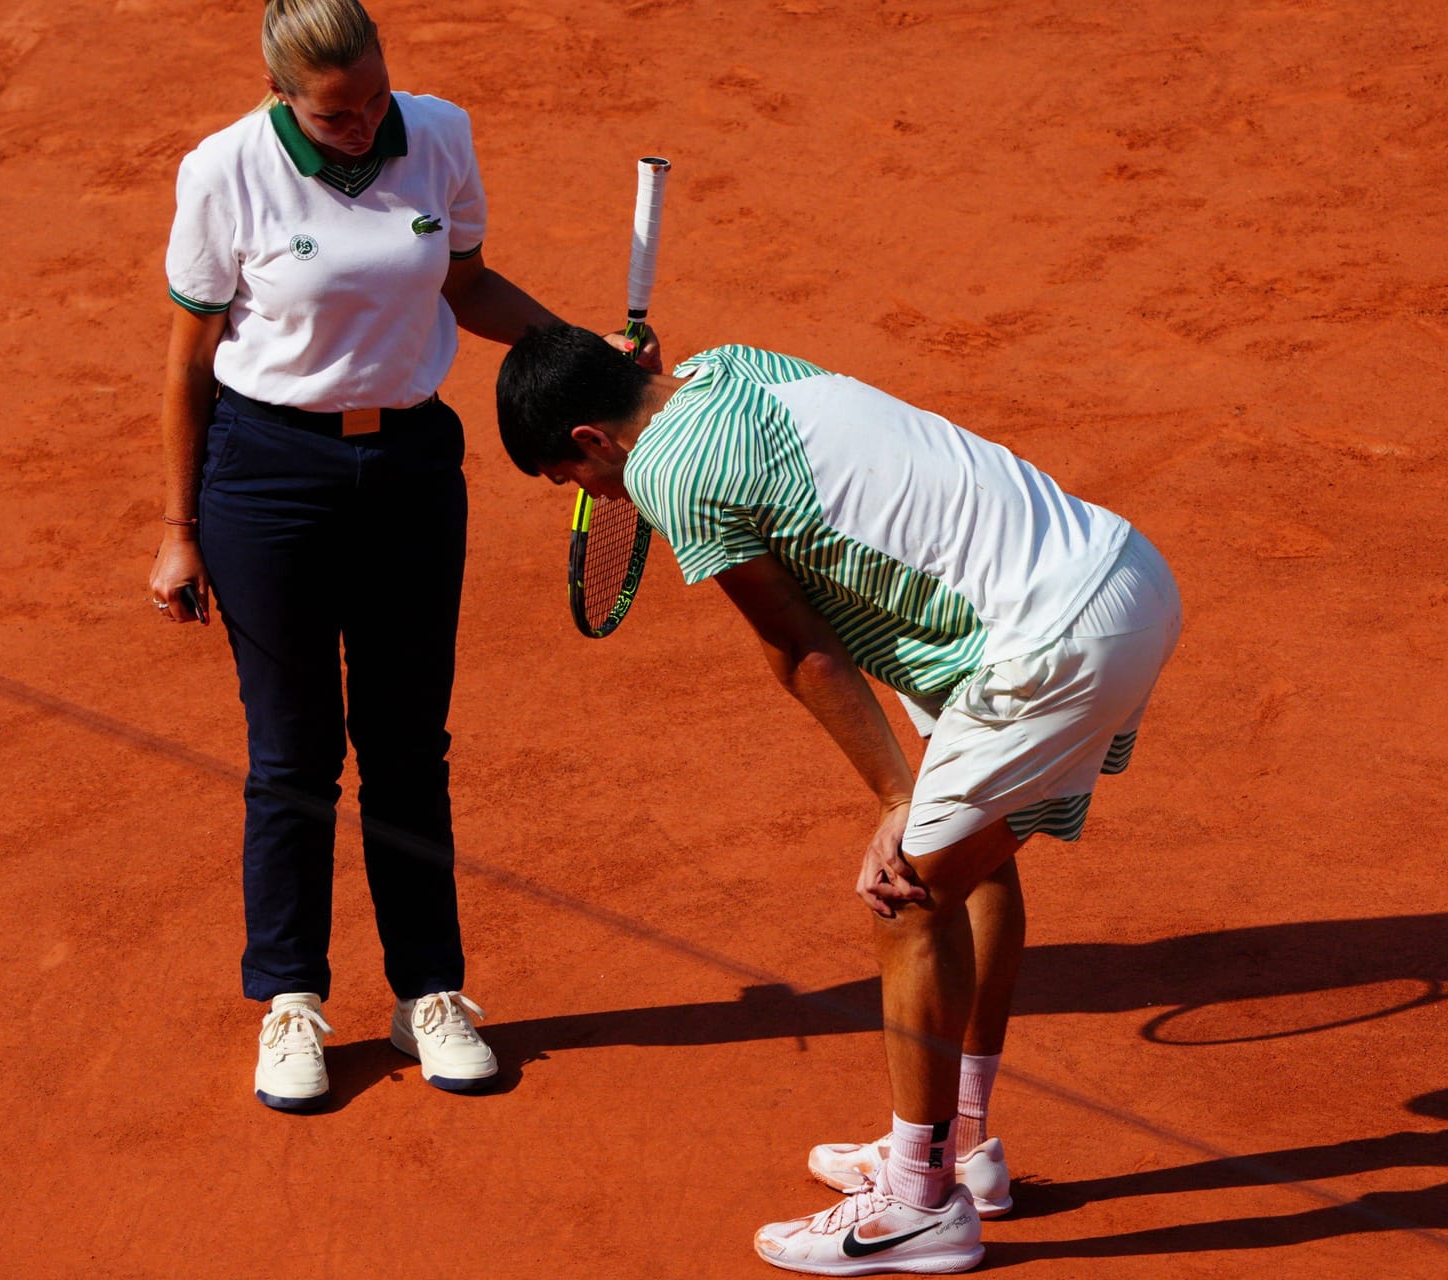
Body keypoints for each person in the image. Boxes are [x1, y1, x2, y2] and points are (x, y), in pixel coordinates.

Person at [496, 325, 1182, 1275]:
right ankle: (961, 1148)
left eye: (577, 480)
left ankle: (916, 1207)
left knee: (905, 899)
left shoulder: (669, 477)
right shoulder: (734, 364)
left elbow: (800, 648)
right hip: (1115, 570)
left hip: (1046, 643)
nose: (598, 499)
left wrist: (897, 795)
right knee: (975, 872)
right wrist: (639, 366)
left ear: (592, 439)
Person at [146, 0, 656, 1113]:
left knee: (408, 744)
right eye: (338, 114)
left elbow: (466, 285)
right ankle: (289, 997)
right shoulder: (223, 171)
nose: (367, 122)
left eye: (376, 95)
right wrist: (179, 530)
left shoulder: (438, 132)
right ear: (286, 98)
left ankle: (429, 989)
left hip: (415, 469)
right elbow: (188, 362)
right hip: (267, 474)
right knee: (293, 751)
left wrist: (577, 351)